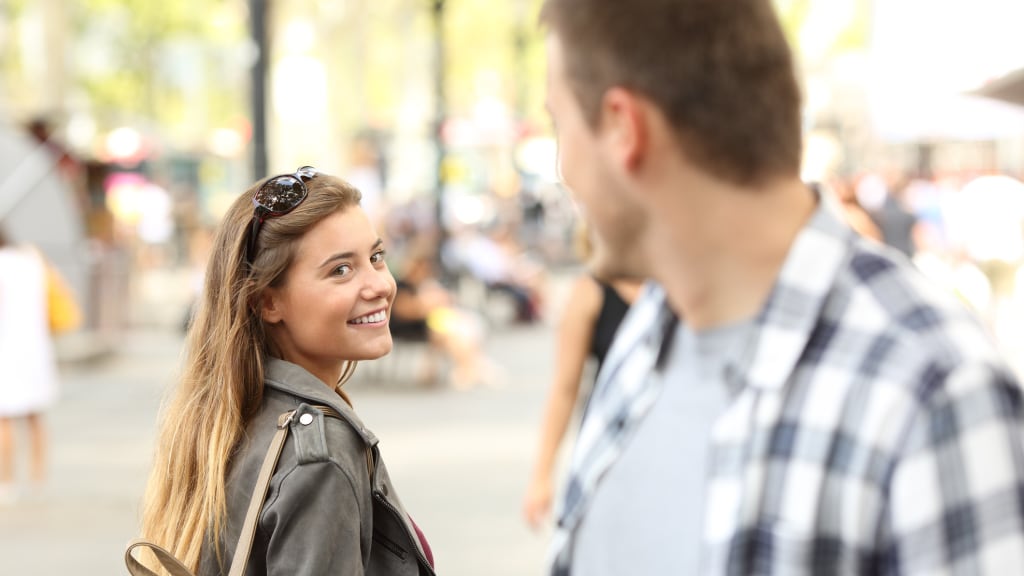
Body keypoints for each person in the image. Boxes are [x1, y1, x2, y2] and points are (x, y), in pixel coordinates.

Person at [540, 1, 1024, 574]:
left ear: (624, 125)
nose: (561, 167)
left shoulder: (933, 387)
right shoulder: (649, 335)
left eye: (557, 124)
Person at [139, 167, 435, 575]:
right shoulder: (320, 455)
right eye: (340, 270)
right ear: (268, 302)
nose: (380, 285)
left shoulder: (230, 413)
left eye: (376, 257)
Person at [522, 225, 641, 530]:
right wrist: (542, 475)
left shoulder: (674, 283)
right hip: (611, 439)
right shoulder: (590, 291)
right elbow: (565, 387)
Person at [0, 226, 60, 505]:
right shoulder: (32, 258)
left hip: (7, 349)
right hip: (36, 347)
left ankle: (6, 481)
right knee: (36, 417)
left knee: (5, 420)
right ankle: (38, 477)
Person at [390, 246, 493, 389]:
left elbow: (444, 300)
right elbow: (404, 311)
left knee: (461, 326)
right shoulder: (401, 285)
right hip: (409, 326)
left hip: (428, 322)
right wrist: (427, 305)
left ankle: (469, 365)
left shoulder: (425, 284)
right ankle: (467, 367)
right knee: (449, 331)